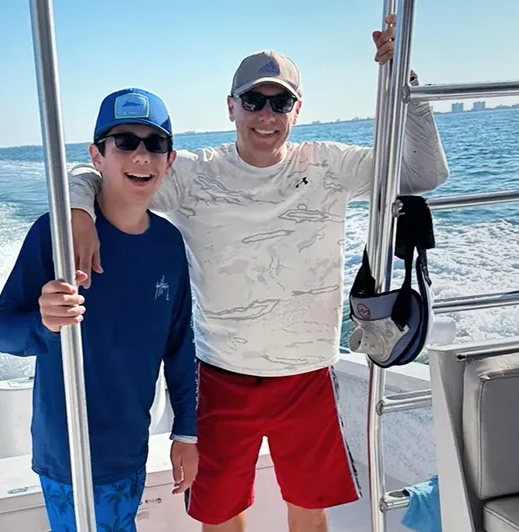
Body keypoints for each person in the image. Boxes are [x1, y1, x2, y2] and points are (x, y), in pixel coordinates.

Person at [65, 14, 450, 532]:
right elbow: (93, 172)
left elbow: (425, 174)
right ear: (231, 106)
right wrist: (78, 213)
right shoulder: (194, 175)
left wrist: (407, 86)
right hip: (221, 376)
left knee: (309, 515)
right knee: (220, 517)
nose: (265, 115)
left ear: (297, 109)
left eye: (280, 102)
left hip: (308, 375)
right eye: (253, 101)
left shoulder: (329, 165)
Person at [0, 87, 199, 532]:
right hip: (65, 451)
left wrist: (186, 432)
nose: (141, 156)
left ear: (169, 160)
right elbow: (2, 332)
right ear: (97, 155)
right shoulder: (55, 235)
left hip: (129, 448)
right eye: (125, 142)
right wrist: (44, 324)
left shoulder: (169, 244)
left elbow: (180, 348)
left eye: (155, 144)